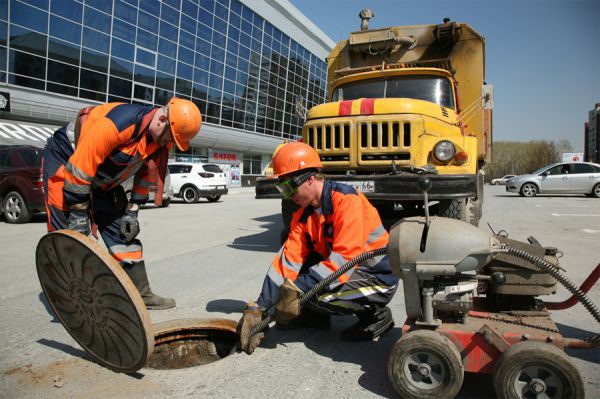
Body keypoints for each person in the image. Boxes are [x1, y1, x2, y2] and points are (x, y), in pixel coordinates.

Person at [238, 142, 399, 354]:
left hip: (377, 277)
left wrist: (297, 291)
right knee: (292, 252)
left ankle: (376, 315)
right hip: (349, 271)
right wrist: (261, 306)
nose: (287, 196)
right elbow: (287, 262)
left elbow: (343, 261)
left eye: (288, 188)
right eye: (281, 189)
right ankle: (315, 317)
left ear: (310, 179)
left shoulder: (346, 201)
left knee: (313, 292)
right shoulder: (302, 215)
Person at [42, 97, 202, 310]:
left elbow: (145, 176)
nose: (169, 144)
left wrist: (133, 211)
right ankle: (68, 302)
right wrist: (79, 212)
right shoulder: (119, 122)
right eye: (170, 138)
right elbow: (81, 166)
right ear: (162, 119)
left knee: (122, 232)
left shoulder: (155, 140)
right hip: (67, 159)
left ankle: (140, 293)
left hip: (101, 177)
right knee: (68, 236)